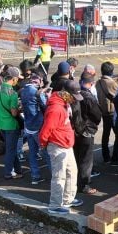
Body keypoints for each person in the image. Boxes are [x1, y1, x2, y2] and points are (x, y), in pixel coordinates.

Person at [40, 80, 84, 214]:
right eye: (73, 97)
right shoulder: (56, 109)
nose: (75, 100)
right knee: (59, 176)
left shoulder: (63, 104)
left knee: (72, 171)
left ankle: (67, 198)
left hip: (66, 144)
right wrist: (43, 144)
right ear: (66, 93)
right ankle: (54, 205)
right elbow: (46, 130)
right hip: (57, 145)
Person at [71, 74, 102, 194]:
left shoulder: (72, 95)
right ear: (91, 83)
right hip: (87, 131)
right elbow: (97, 115)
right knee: (86, 160)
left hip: (74, 130)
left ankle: (75, 181)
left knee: (77, 157)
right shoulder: (90, 97)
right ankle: (84, 185)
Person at [0, 66, 24, 180]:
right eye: (17, 78)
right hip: (11, 125)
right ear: (13, 78)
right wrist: (19, 109)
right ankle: (8, 173)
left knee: (11, 148)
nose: (18, 80)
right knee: (11, 151)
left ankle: (18, 170)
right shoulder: (13, 93)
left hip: (1, 124)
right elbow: (13, 113)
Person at [96, 61, 118, 164]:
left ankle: (106, 157)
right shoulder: (112, 83)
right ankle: (115, 158)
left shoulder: (98, 82)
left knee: (105, 135)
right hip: (112, 113)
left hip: (103, 112)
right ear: (111, 71)